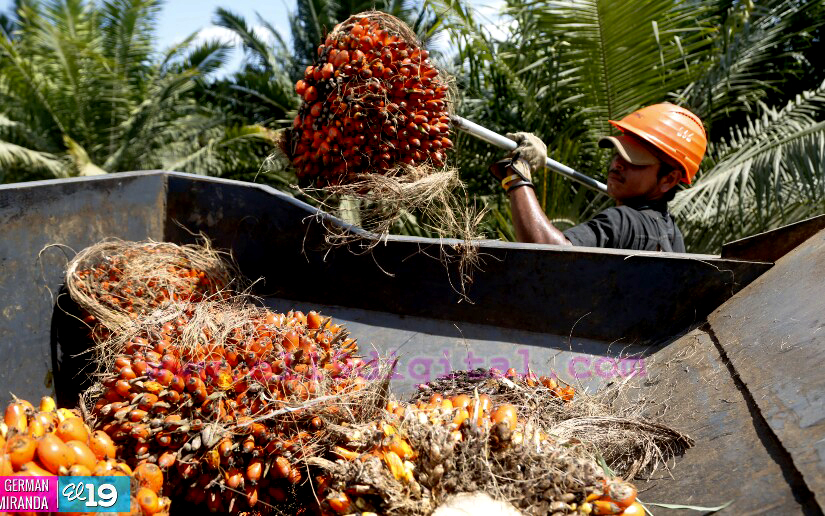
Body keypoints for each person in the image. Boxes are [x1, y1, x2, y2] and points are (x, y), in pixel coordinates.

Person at [489, 103, 707, 252]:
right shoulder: (672, 235)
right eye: (618, 152)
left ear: (669, 179)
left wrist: (517, 175)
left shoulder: (624, 221)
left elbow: (548, 253)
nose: (618, 163)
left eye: (634, 159)